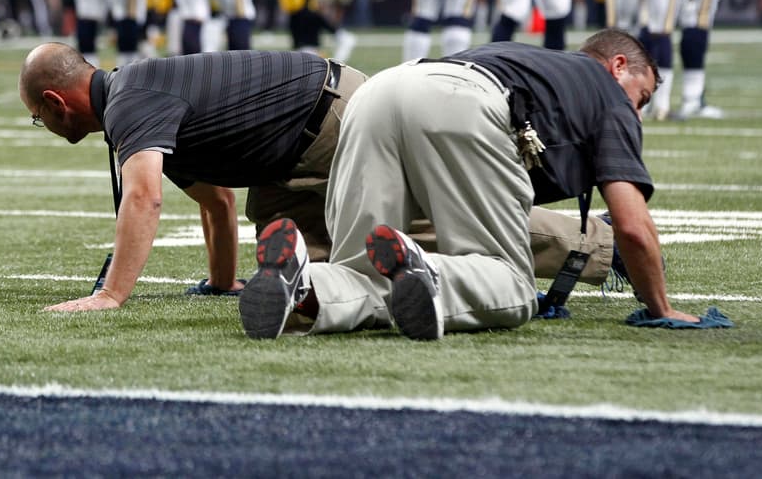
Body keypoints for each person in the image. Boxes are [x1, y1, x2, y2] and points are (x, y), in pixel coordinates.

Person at [19, 41, 619, 312]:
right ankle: (385, 276)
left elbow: (144, 199)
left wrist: (110, 295)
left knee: (413, 222)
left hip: (329, 115)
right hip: (295, 144)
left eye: (37, 117)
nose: (42, 126)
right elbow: (217, 201)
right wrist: (222, 284)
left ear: (55, 101)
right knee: (306, 255)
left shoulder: (131, 103)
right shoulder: (137, 94)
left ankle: (593, 248)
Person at [238, 29, 706, 341]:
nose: (638, 112)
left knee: (363, 270)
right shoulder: (606, 93)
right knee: (513, 285)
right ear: (618, 65)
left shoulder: (528, 58)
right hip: (463, 102)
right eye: (641, 97)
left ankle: (302, 282)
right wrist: (660, 305)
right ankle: (430, 271)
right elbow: (631, 221)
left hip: (382, 90)